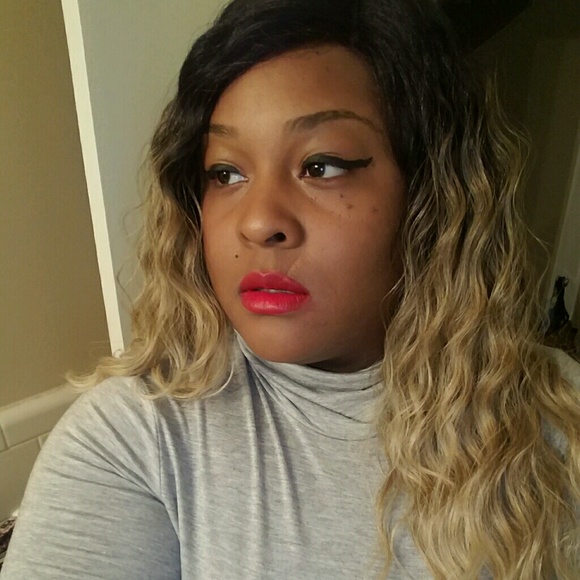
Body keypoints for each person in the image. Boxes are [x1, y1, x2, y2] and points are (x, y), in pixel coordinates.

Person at [2, 0, 579, 578]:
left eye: (321, 165)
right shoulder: (134, 436)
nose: (258, 222)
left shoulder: (560, 420)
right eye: (226, 173)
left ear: (432, 196)